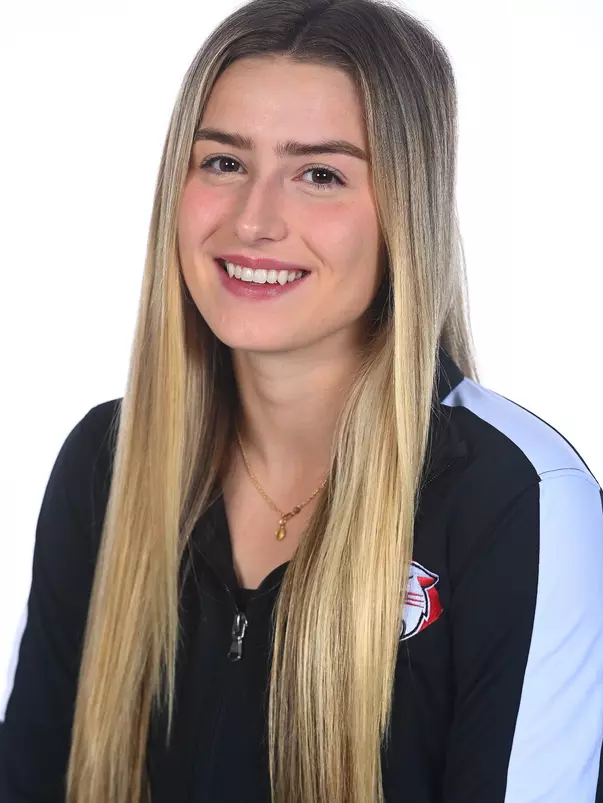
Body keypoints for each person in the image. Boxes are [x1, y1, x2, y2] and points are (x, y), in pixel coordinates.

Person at [1, 0, 602, 801]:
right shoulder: (106, 461)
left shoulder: (517, 500)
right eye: (222, 162)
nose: (254, 220)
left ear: (404, 213)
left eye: (319, 174)